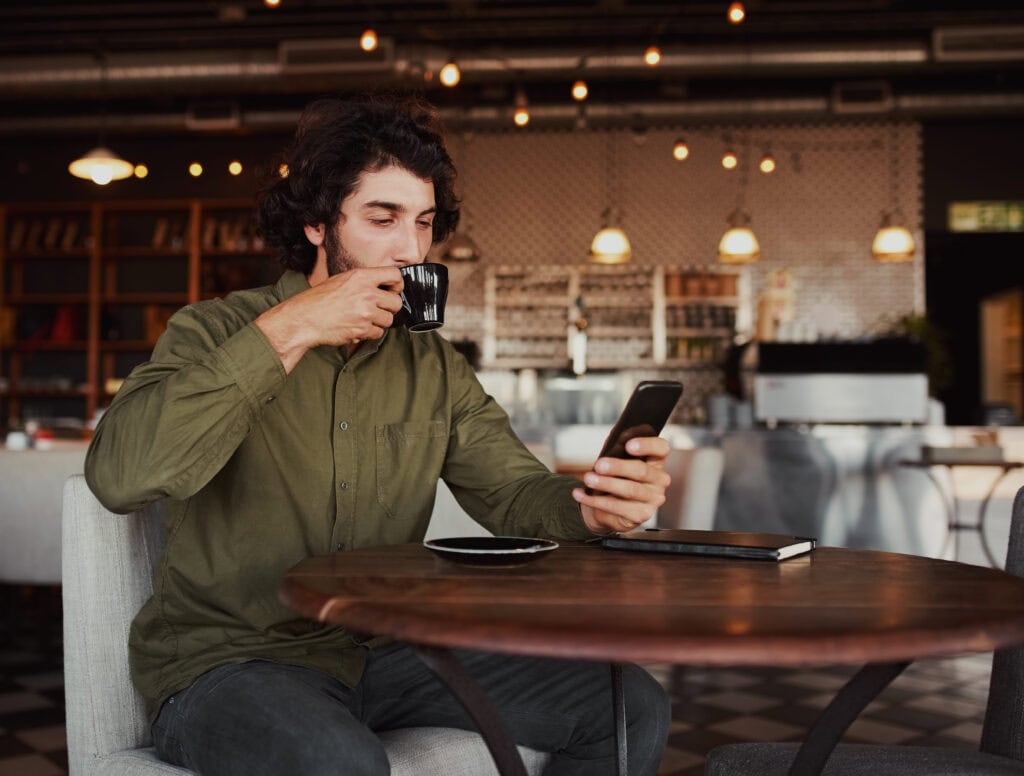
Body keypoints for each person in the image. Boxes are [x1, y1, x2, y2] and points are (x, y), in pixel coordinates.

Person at [85, 92, 672, 776]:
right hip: (233, 662)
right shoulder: (214, 330)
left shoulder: (431, 365)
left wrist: (592, 509)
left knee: (629, 704)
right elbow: (120, 477)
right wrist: (294, 327)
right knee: (340, 761)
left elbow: (515, 494)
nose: (410, 249)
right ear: (314, 223)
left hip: (387, 652)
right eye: (382, 218)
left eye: (423, 222)